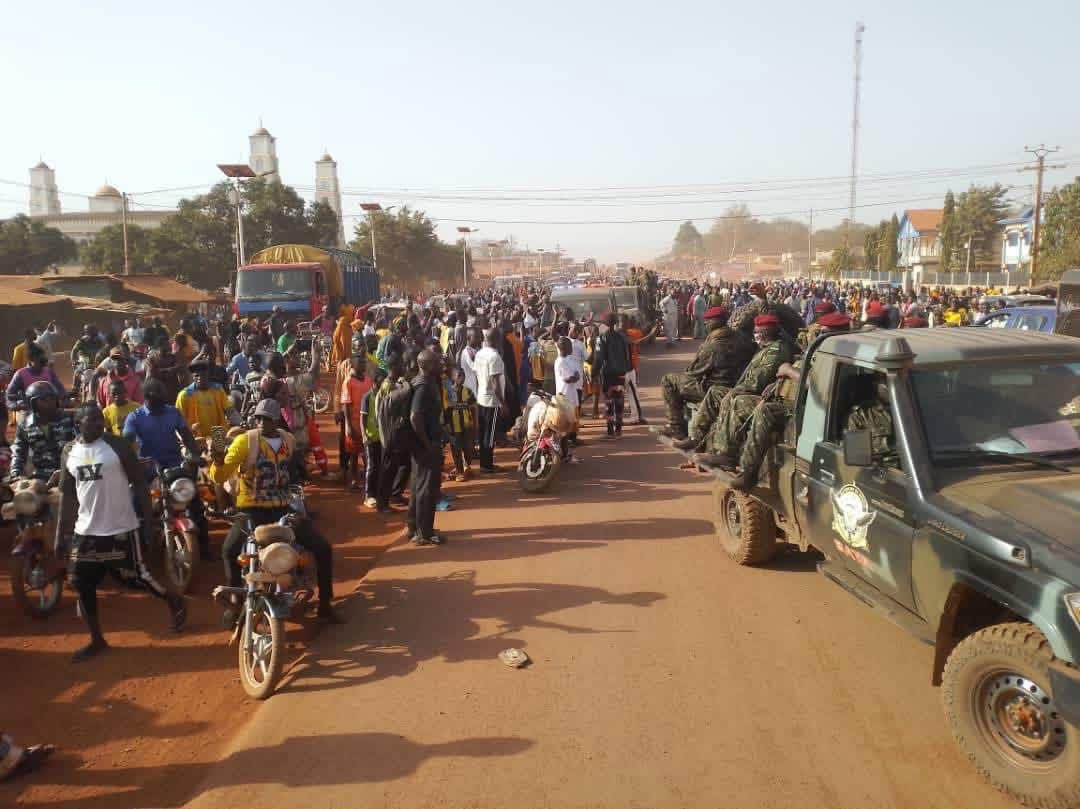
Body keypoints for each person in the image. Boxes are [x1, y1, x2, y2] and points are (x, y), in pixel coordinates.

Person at [57, 404, 186, 662]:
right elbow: (67, 495)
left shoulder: (117, 446)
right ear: (79, 424)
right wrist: (61, 533)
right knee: (81, 583)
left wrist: (147, 524)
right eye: (92, 420)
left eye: (100, 419)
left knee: (138, 578)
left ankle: (173, 600)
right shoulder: (69, 451)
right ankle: (97, 639)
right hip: (86, 530)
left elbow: (139, 483)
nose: (99, 423)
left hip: (121, 527)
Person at [211, 399, 342, 624]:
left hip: (281, 510)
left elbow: (295, 471)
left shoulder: (288, 441)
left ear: (277, 420)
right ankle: (236, 602)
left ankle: (325, 604)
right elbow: (220, 476)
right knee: (229, 549)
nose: (262, 422)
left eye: (268, 419)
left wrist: (298, 500)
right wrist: (218, 461)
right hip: (250, 511)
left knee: (323, 548)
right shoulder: (245, 441)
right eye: (259, 418)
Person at [728, 311, 852, 490]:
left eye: (824, 332)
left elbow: (818, 385)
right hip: (796, 401)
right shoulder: (828, 350)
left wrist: (788, 371)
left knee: (766, 411)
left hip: (811, 410)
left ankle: (749, 472)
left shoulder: (840, 356)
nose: (819, 335)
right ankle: (729, 454)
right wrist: (777, 383)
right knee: (744, 403)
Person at [694, 314, 795, 469]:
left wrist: (735, 391)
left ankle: (725, 454)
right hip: (748, 390)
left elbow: (757, 382)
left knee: (735, 401)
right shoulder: (765, 348)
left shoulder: (776, 351)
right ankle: (697, 440)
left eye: (757, 332)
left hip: (759, 395)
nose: (755, 335)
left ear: (764, 333)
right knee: (715, 392)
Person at [123, 378, 210, 557]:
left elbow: (186, 436)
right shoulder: (135, 417)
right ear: (147, 398)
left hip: (174, 464)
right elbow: (127, 442)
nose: (164, 403)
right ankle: (138, 547)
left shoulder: (173, 412)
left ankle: (204, 546)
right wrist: (131, 460)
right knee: (136, 503)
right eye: (159, 400)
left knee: (194, 500)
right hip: (148, 468)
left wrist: (195, 455)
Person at [660, 306, 753, 442]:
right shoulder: (742, 339)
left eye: (708, 321)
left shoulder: (712, 346)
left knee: (669, 380)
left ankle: (676, 427)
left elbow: (692, 372)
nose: (705, 324)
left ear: (714, 323)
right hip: (737, 387)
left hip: (712, 390)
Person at [407, 350, 446, 546]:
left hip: (422, 445)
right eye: (436, 362)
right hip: (425, 446)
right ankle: (424, 533)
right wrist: (427, 443)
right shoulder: (423, 387)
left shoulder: (424, 382)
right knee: (426, 490)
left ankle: (415, 528)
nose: (439, 365)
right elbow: (415, 417)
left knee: (418, 486)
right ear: (426, 365)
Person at [10, 381, 77, 482]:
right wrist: (15, 471)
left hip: (68, 474)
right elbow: (19, 451)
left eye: (52, 398)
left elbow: (82, 445)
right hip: (41, 476)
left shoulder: (69, 419)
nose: (50, 402)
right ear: (32, 403)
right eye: (44, 399)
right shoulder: (25, 425)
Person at [175, 360, 237, 439]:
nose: (200, 378)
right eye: (197, 376)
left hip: (218, 434)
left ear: (208, 375)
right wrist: (188, 432)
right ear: (192, 377)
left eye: (203, 375)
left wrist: (241, 422)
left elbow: (229, 410)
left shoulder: (218, 390)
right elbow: (178, 420)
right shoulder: (185, 395)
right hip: (197, 437)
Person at [592, 313, 631, 437]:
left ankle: (610, 431)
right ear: (615, 323)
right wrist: (626, 370)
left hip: (608, 374)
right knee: (619, 400)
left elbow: (599, 359)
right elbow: (627, 355)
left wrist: (593, 373)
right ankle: (619, 430)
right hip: (621, 373)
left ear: (605, 323)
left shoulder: (601, 338)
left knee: (609, 401)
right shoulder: (622, 337)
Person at [473, 328, 506, 473]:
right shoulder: (494, 357)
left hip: (481, 397)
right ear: (497, 340)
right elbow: (495, 383)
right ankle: (487, 466)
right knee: (490, 435)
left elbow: (476, 377)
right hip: (492, 401)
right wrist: (503, 404)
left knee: (483, 433)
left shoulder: (479, 353)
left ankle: (484, 463)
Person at [340, 352, 373, 491]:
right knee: (353, 455)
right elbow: (346, 405)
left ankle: (368, 479)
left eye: (364, 363)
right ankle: (353, 480)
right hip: (354, 423)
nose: (364, 365)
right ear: (353, 365)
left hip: (367, 423)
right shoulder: (348, 382)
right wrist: (348, 426)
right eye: (361, 363)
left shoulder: (368, 380)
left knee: (367, 453)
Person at [6, 345, 66, 415]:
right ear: (31, 359)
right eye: (38, 358)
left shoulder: (49, 372)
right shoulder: (20, 374)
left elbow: (61, 389)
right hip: (28, 410)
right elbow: (9, 394)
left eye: (43, 357)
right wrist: (14, 405)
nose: (42, 360)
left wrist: (64, 399)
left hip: (49, 409)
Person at [442, 364, 476, 481]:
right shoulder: (448, 392)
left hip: (467, 425)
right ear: (453, 377)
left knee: (468, 448)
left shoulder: (468, 391)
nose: (462, 378)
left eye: (463, 375)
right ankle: (459, 471)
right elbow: (445, 410)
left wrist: (475, 423)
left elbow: (473, 407)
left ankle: (467, 465)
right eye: (459, 376)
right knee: (456, 449)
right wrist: (446, 425)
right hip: (453, 426)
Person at [359, 368, 386, 508]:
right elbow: (362, 419)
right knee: (371, 466)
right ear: (375, 382)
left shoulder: (384, 396)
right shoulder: (367, 397)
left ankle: (378, 493)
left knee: (380, 466)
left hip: (381, 438)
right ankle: (368, 496)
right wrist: (364, 436)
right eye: (382, 380)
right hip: (370, 438)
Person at [554, 336, 583, 446]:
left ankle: (573, 438)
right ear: (564, 348)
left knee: (574, 417)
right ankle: (567, 442)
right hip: (564, 395)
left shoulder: (569, 360)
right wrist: (575, 377)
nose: (572, 348)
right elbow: (569, 379)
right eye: (570, 346)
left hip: (572, 393)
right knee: (566, 420)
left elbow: (577, 375)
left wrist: (575, 377)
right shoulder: (560, 362)